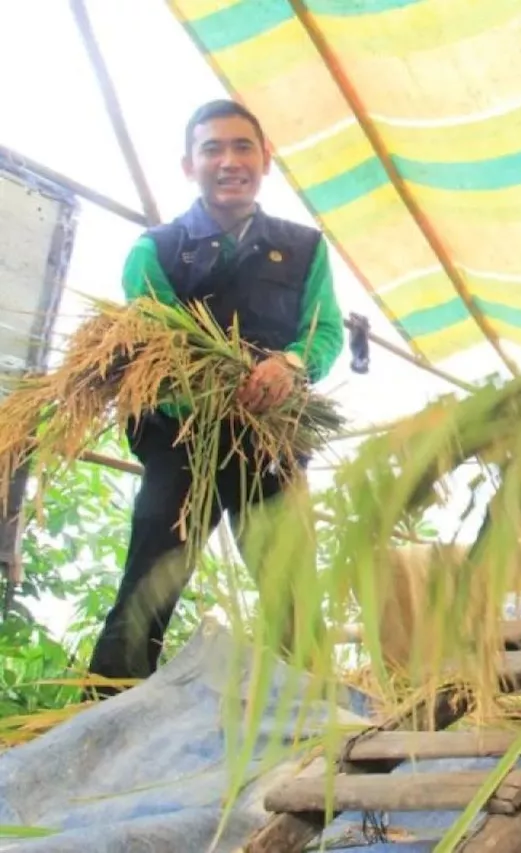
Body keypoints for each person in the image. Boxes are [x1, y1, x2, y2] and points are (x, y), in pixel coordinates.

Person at [85, 99, 344, 692]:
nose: (229, 161)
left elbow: (323, 331)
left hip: (270, 443)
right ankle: (99, 720)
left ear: (265, 159)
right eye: (212, 149)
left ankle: (321, 725)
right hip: (181, 439)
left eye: (242, 147)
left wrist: (290, 365)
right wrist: (220, 390)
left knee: (293, 594)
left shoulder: (305, 248)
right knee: (148, 587)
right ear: (188, 165)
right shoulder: (156, 249)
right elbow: (163, 342)